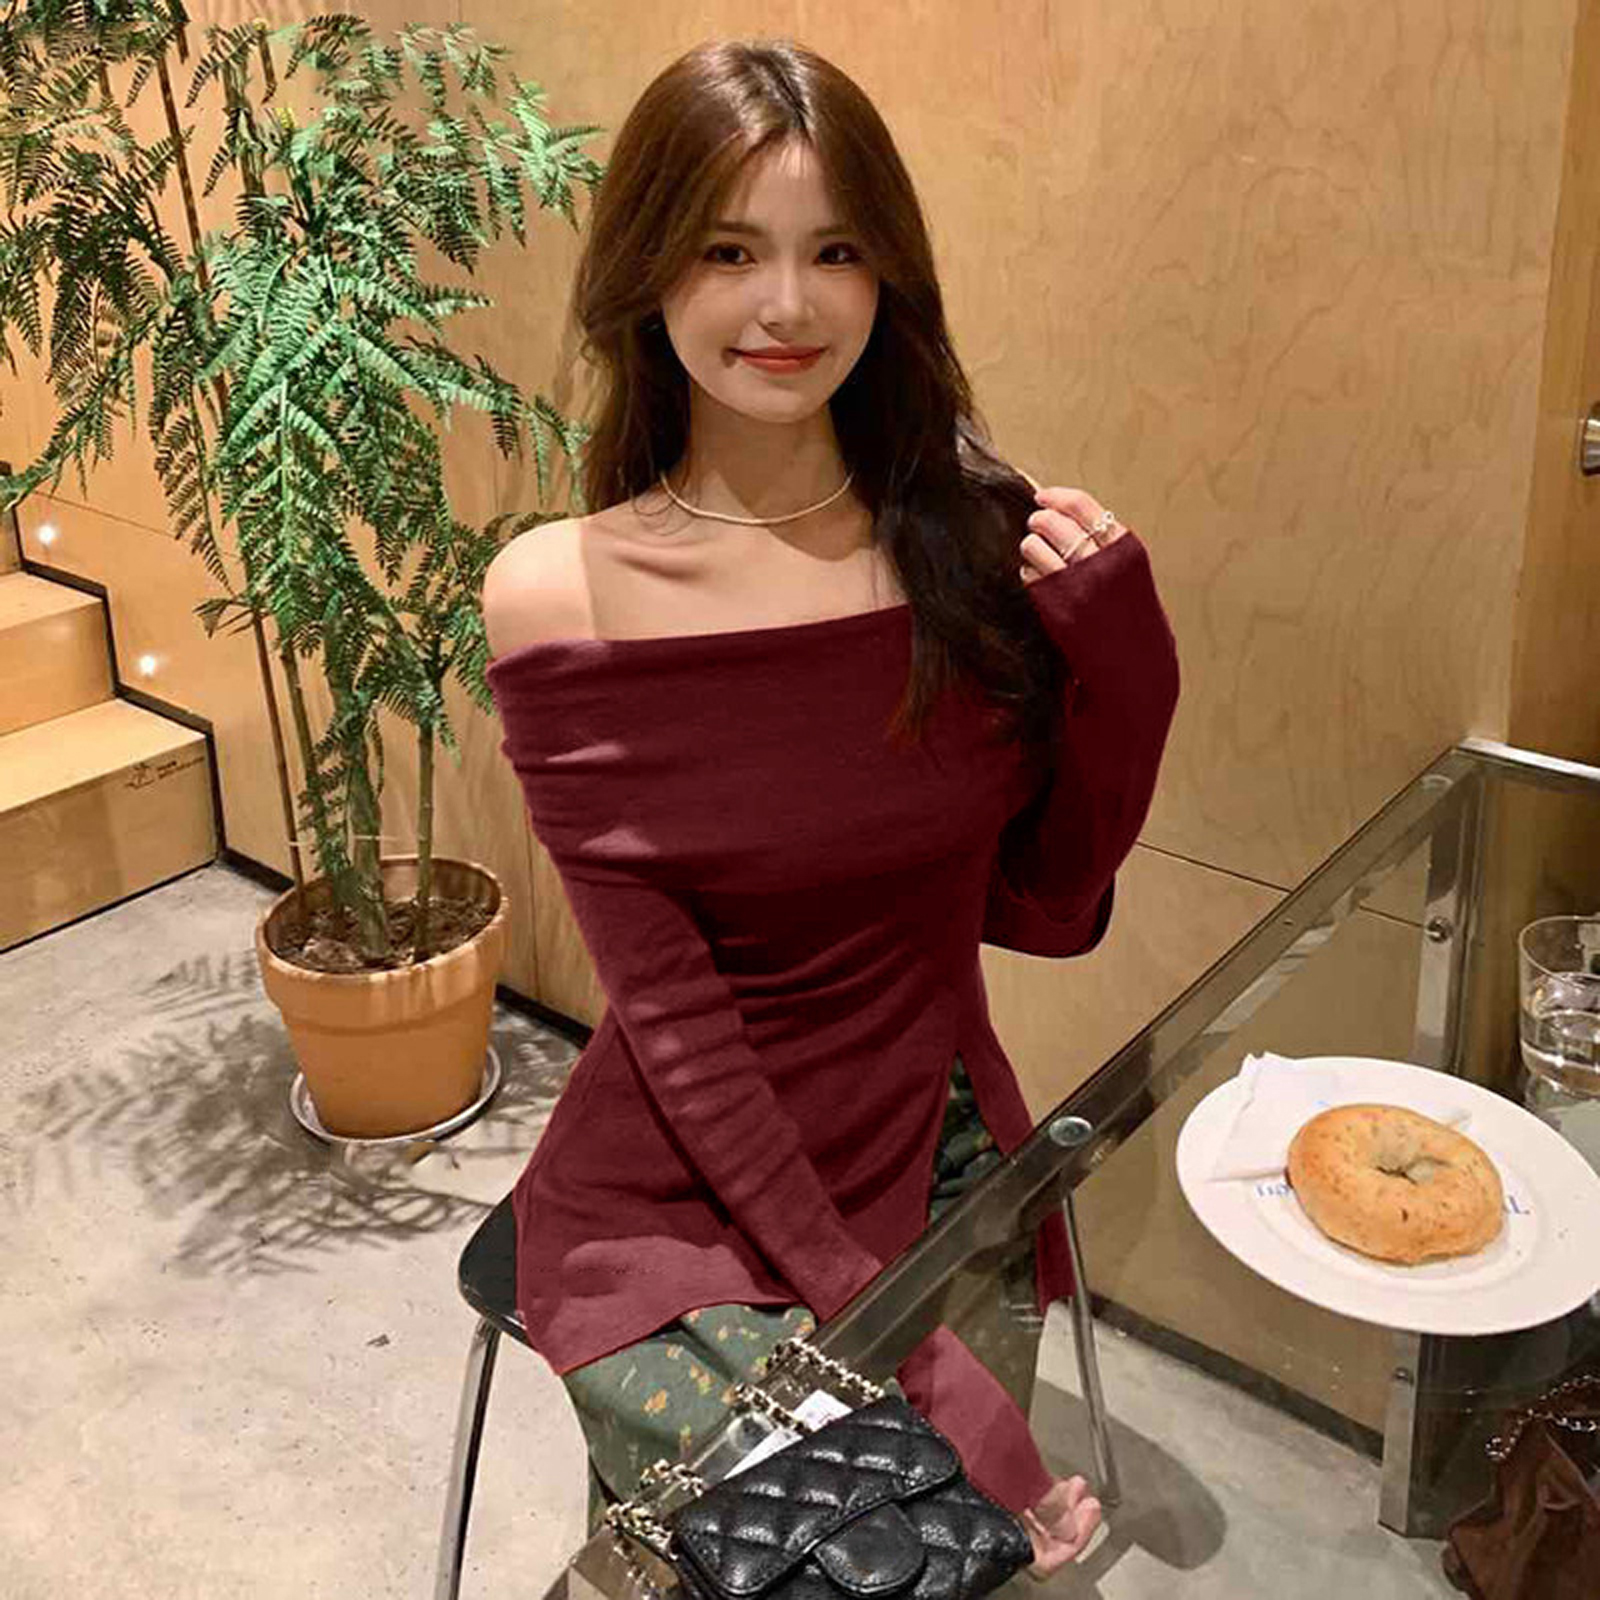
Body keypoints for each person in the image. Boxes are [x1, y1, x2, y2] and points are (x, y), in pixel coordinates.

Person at [481, 38, 1179, 1576]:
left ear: (889, 277)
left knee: (943, 1559)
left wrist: (1133, 672)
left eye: (835, 251)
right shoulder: (558, 595)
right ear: (647, 270)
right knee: (856, 1568)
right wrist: (926, 1379)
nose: (786, 305)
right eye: (729, 250)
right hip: (677, 1199)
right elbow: (675, 1026)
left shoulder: (966, 548)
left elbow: (1049, 906)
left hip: (927, 1132)